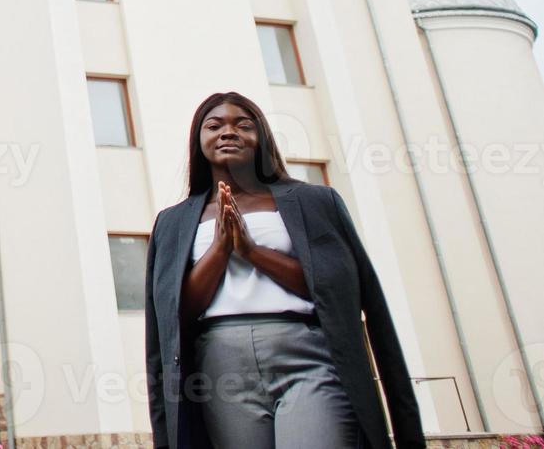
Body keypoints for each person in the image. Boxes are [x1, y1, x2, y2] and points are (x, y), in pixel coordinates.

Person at [144, 91, 425, 449]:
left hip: (307, 356)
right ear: (199, 142)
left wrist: (251, 250)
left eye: (243, 125)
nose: (228, 132)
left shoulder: (314, 202)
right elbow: (172, 317)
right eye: (214, 125)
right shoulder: (173, 222)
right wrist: (220, 249)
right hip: (219, 368)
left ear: (261, 138)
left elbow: (338, 293)